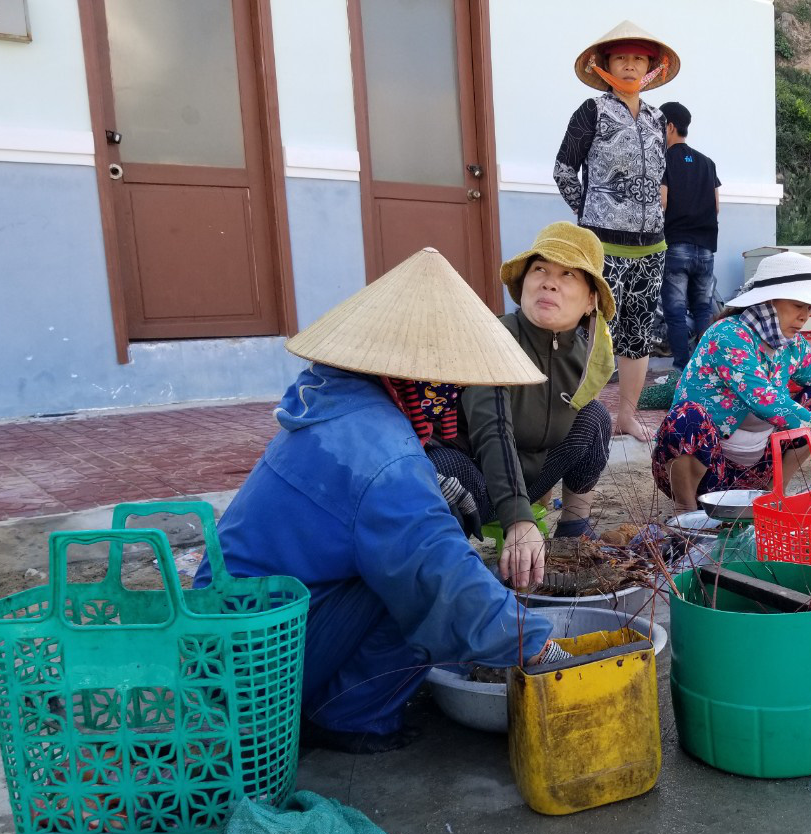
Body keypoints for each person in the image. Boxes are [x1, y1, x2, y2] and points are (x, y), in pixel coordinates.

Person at [197, 248, 573, 754]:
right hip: (248, 664)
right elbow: (443, 577)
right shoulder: (380, 454)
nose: (453, 392)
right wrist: (540, 647)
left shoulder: (336, 401)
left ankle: (347, 711)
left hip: (227, 632)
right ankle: (351, 716)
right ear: (417, 377)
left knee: (408, 570)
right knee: (421, 586)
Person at [425, 222, 617, 589]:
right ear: (524, 282)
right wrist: (518, 520)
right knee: (441, 467)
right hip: (474, 483)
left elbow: (554, 432)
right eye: (540, 269)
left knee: (594, 417)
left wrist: (529, 509)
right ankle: (450, 575)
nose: (549, 282)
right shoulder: (496, 338)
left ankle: (573, 538)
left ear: (590, 299)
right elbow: (493, 431)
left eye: (568, 275)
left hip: (528, 481)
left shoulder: (585, 355)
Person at [652, 251, 811, 512]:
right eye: (798, 305)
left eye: (808, 308)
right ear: (769, 301)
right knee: (687, 419)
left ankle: (774, 493)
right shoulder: (729, 335)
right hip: (711, 470)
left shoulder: (792, 346)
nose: (804, 316)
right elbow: (766, 401)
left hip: (756, 469)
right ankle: (687, 511)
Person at [554, 20, 680, 442]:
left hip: (651, 246)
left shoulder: (657, 118)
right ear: (605, 64)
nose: (629, 65)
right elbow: (563, 169)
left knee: (638, 333)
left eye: (638, 58)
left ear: (650, 66)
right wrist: (588, 215)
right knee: (591, 330)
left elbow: (661, 177)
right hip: (602, 244)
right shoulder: (592, 111)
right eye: (621, 57)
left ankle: (626, 415)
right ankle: (577, 418)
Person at [658, 101, 721, 373]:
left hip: (676, 247)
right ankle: (705, 368)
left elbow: (661, 202)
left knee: (675, 311)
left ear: (669, 126)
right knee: (702, 310)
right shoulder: (708, 163)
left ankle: (683, 369)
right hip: (706, 249)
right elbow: (717, 206)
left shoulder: (663, 160)